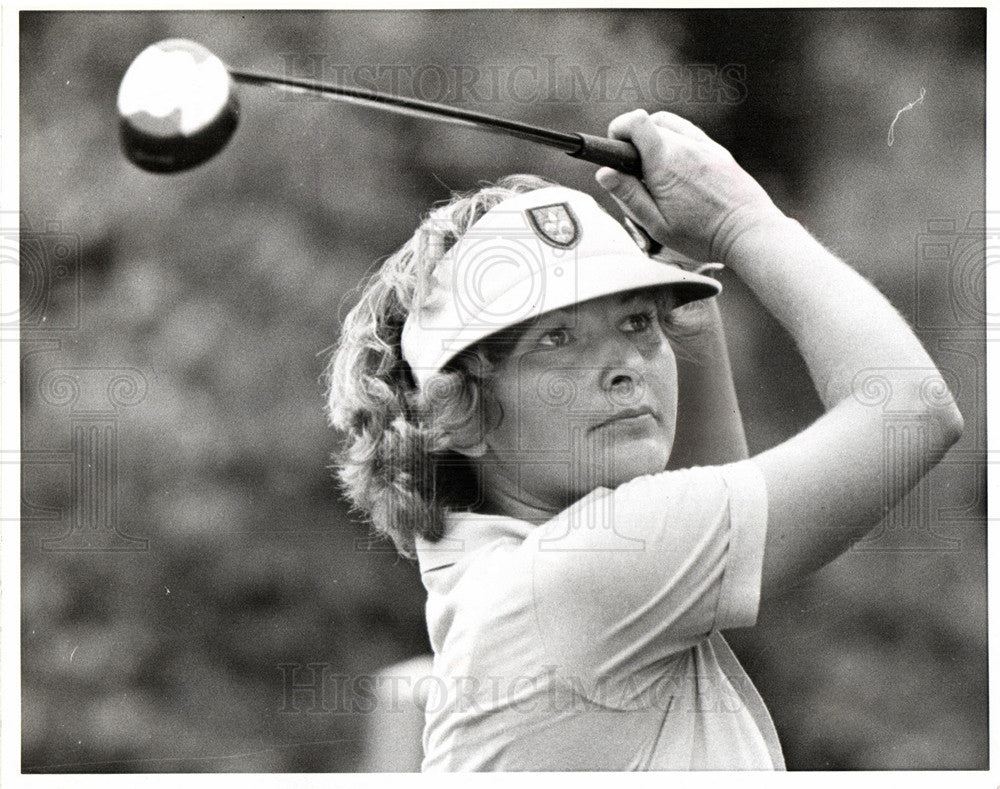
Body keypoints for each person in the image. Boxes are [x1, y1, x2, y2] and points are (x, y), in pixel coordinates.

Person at [326, 109, 963, 771]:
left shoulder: (522, 578)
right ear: (459, 411)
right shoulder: (585, 571)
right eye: (557, 338)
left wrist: (667, 255)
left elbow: (707, 468)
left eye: (635, 321)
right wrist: (741, 216)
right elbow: (912, 409)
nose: (624, 362)